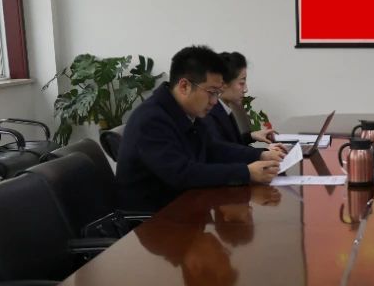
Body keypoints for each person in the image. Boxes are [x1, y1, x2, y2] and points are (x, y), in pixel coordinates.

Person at [116, 45, 280, 211]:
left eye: (217, 93)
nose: (215, 101)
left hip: (185, 204)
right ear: (184, 86)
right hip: (155, 218)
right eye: (211, 92)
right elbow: (181, 173)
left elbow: (212, 148)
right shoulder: (151, 120)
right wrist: (246, 172)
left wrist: (260, 155)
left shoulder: (186, 111)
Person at [207, 51, 279, 148]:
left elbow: (231, 142)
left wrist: (251, 136)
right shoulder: (210, 113)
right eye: (241, 83)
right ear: (223, 84)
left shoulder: (223, 108)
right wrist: (263, 153)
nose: (245, 89)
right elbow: (224, 151)